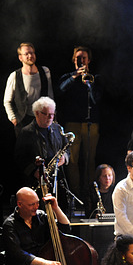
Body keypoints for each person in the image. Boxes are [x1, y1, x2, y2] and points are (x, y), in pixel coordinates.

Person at [58, 46, 103, 211]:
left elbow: (97, 99)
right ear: (73, 60)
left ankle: (89, 195)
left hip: (91, 123)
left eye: (83, 58)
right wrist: (75, 76)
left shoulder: (95, 78)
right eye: (77, 58)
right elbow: (61, 90)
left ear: (88, 60)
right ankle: (75, 195)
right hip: (73, 124)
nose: (80, 61)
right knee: (73, 160)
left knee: (89, 160)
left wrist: (88, 84)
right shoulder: (68, 77)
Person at [13, 97, 72, 212]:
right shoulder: (26, 132)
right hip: (36, 183)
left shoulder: (58, 128)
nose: (50, 117)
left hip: (56, 179)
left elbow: (67, 149)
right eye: (46, 114)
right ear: (37, 113)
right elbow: (19, 157)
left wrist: (65, 158)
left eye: (52, 114)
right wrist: (34, 171)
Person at [3, 42, 53, 133]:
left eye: (32, 53)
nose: (30, 56)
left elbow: (50, 96)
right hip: (23, 121)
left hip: (42, 119)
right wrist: (14, 119)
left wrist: (52, 115)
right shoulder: (14, 76)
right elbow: (7, 101)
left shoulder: (45, 71)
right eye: (26, 54)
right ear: (20, 57)